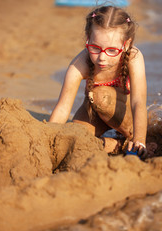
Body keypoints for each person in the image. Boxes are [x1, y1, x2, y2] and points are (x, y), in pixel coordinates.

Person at [49, 5, 147, 158]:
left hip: (124, 114)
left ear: (126, 44)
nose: (102, 57)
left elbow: (138, 102)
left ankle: (133, 140)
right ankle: (115, 145)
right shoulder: (80, 64)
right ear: (88, 38)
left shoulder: (134, 57)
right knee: (74, 138)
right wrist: (48, 137)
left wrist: (139, 139)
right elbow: (62, 108)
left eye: (112, 50)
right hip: (93, 112)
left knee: (101, 96)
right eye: (95, 48)